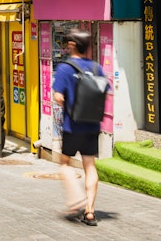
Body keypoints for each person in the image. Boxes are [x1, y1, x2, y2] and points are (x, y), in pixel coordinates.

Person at [53, 28, 107, 227]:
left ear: (72, 45)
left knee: (65, 163)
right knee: (90, 166)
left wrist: (66, 101)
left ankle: (76, 198)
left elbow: (59, 97)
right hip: (92, 125)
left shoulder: (65, 68)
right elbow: (104, 92)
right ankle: (90, 211)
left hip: (72, 125)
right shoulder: (96, 68)